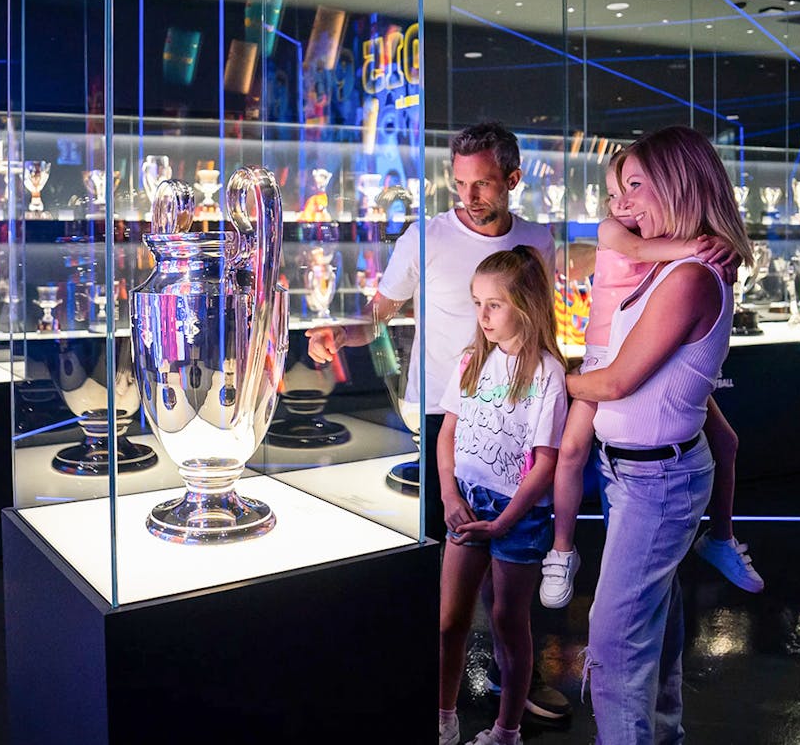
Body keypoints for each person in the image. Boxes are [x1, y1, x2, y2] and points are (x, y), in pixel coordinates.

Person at [306, 122, 567, 724]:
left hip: (517, 414)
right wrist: (340, 335)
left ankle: (513, 680)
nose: (469, 197)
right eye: (459, 184)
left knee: (515, 566)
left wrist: (557, 390)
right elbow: (379, 316)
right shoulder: (423, 237)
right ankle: (435, 695)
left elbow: (541, 321)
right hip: (444, 411)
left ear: (513, 179)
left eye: (482, 185)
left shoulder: (537, 239)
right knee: (442, 555)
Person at [565, 126, 754, 743]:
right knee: (651, 628)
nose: (623, 202)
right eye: (619, 187)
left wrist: (559, 381)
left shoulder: (692, 277)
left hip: (658, 478)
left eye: (637, 185)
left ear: (678, 182)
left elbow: (616, 383)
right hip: (635, 473)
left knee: (614, 641)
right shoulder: (673, 263)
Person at [539, 153, 763, 610]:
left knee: (727, 441)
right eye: (613, 194)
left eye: (633, 189)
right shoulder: (617, 232)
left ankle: (721, 535)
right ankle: (562, 548)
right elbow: (642, 254)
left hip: (651, 355)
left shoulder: (667, 241)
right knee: (574, 450)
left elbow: (685, 270)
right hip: (606, 356)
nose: (621, 203)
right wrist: (700, 248)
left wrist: (720, 252)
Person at [437, 247, 568, 745]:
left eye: (494, 304)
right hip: (466, 503)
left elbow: (546, 462)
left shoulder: (549, 375)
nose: (483, 315)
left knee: (508, 624)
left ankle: (507, 730)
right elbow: (447, 434)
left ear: (526, 305)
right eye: (477, 303)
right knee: (450, 619)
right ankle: (445, 717)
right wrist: (449, 495)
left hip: (518, 514)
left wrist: (506, 520)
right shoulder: (473, 361)